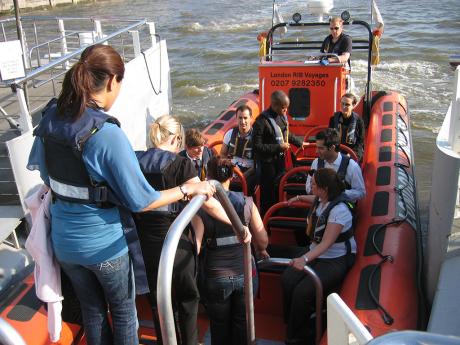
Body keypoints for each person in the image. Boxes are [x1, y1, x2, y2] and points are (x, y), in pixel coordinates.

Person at [27, 44, 215, 345]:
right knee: (125, 313)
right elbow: (142, 200)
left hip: (64, 243)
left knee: (93, 310)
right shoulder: (105, 134)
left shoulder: (51, 118)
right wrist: (186, 189)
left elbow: (45, 173)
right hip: (104, 245)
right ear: (112, 81)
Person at [135, 115, 238, 345]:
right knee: (187, 300)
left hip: (145, 247)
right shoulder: (181, 165)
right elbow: (208, 203)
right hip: (176, 245)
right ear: (176, 138)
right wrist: (236, 222)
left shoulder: (135, 161)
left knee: (160, 302)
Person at [192, 156, 269, 345]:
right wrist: (260, 249)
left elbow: (196, 247)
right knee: (242, 323)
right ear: (232, 177)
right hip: (245, 274)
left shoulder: (201, 208)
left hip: (216, 277)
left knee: (219, 325)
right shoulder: (248, 203)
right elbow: (263, 241)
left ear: (207, 176)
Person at [283, 168, 357, 345]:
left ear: (324, 189)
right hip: (315, 251)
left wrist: (304, 259)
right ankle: (291, 323)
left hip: (335, 259)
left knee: (302, 292)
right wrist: (299, 198)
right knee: (287, 279)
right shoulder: (322, 199)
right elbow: (315, 201)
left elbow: (327, 243)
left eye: (314, 185)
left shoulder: (340, 211)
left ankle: (299, 336)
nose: (311, 187)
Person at [253, 90, 303, 215]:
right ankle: (266, 221)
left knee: (278, 190)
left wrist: (299, 142)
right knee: (267, 195)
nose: (286, 111)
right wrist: (278, 147)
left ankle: (278, 213)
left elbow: (286, 134)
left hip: (279, 162)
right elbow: (257, 146)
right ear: (275, 106)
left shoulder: (281, 116)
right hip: (266, 166)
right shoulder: (261, 122)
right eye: (284, 108)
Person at [306, 129, 365, 202]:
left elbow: (361, 192)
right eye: (317, 147)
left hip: (342, 211)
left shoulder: (351, 166)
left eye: (321, 148)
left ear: (332, 148)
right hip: (320, 209)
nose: (316, 151)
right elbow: (308, 188)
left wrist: (337, 194)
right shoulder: (316, 163)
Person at [220, 104, 256, 193]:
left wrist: (242, 176)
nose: (243, 121)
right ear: (236, 119)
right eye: (240, 118)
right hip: (232, 168)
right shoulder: (229, 134)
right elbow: (222, 154)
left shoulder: (257, 136)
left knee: (248, 185)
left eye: (245, 118)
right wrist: (230, 167)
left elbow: (258, 163)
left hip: (250, 171)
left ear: (251, 118)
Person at [328, 93, 365, 161]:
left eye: (347, 104)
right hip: (336, 151)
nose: (344, 106)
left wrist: (350, 154)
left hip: (353, 152)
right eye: (342, 103)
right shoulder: (333, 119)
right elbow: (329, 138)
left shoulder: (359, 121)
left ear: (353, 105)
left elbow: (360, 143)